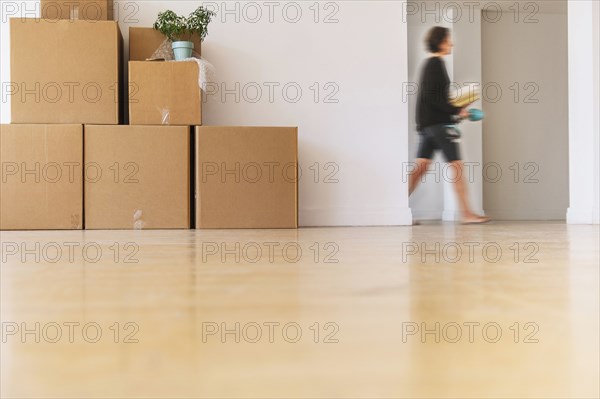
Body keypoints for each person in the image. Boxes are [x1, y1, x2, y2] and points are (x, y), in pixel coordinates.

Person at [409, 26, 490, 224]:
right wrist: (457, 110)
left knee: (420, 167)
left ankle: (396, 212)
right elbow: (435, 98)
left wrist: (458, 107)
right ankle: (467, 214)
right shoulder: (436, 64)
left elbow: (434, 98)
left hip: (429, 126)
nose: (451, 44)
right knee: (457, 167)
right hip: (439, 126)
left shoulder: (430, 65)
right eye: (448, 40)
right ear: (440, 42)